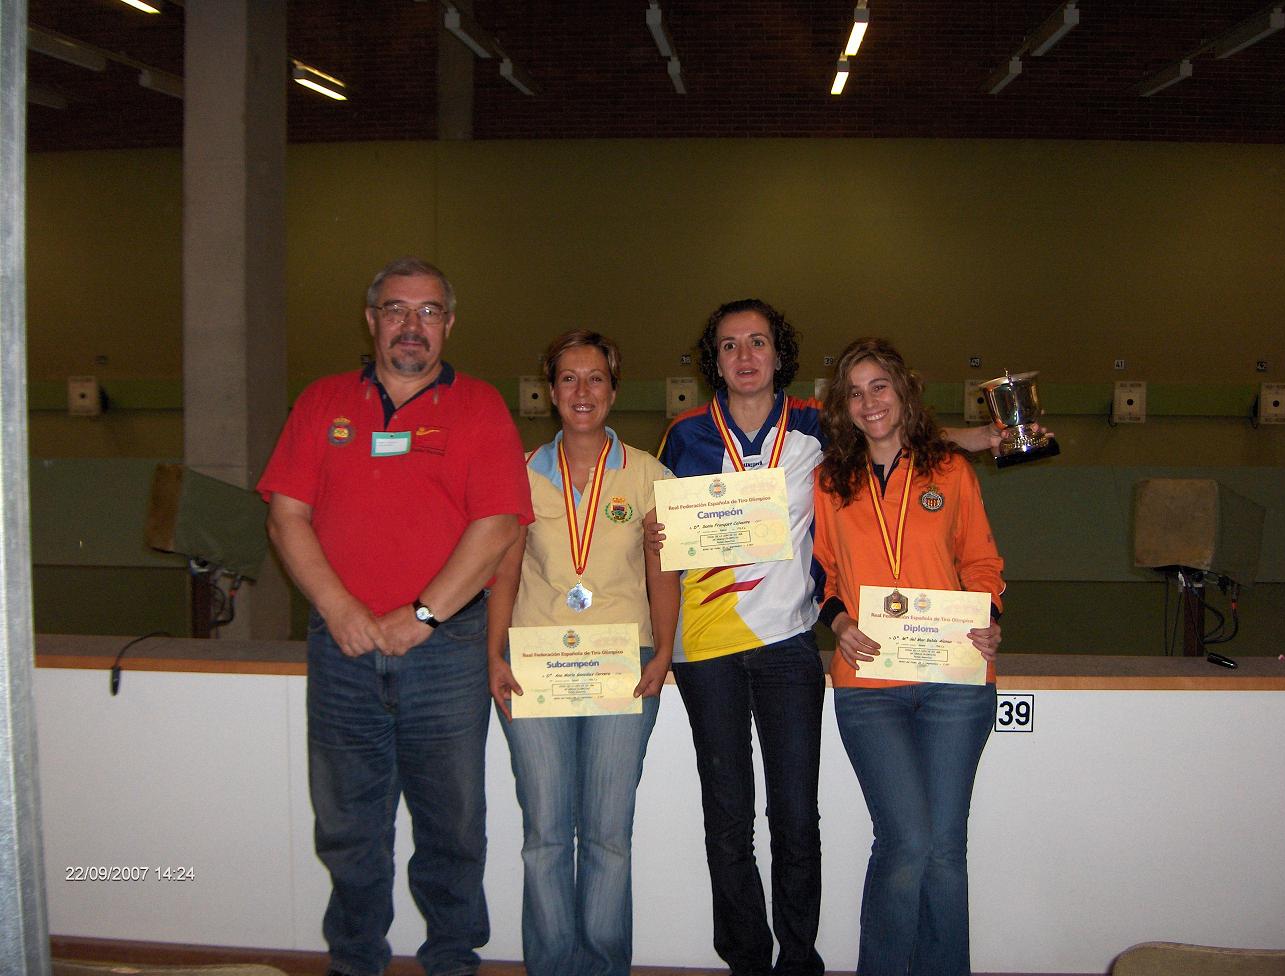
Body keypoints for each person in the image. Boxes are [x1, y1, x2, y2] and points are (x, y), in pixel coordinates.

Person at [656, 299, 1010, 976]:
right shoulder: (685, 435)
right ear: (715, 361)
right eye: (730, 345)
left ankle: (799, 959)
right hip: (708, 645)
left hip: (791, 643)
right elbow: (663, 531)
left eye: (758, 341)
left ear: (779, 353)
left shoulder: (817, 427)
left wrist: (985, 438)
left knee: (797, 817)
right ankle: (746, 960)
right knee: (728, 818)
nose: (745, 356)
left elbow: (894, 428)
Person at [258, 257, 533, 976]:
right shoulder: (321, 402)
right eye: (397, 309)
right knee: (348, 827)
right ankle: (355, 962)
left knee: (452, 828)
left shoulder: (480, 407)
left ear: (450, 324)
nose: (413, 325)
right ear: (371, 319)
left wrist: (422, 616)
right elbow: (287, 516)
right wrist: (340, 608)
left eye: (429, 311)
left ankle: (452, 960)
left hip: (446, 653)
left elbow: (498, 524)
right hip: (342, 652)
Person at [487, 329, 679, 976]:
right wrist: (493, 655)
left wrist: (663, 652)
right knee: (544, 836)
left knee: (607, 836)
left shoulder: (648, 474)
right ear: (550, 391)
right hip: (534, 667)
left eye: (595, 377)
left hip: (624, 668)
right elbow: (504, 573)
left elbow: (663, 572)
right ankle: (549, 965)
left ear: (614, 390)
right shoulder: (519, 473)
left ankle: (601, 965)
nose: (582, 391)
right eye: (568, 378)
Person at [813, 337, 1004, 976]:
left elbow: (981, 562)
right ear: (842, 406)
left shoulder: (949, 471)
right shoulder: (829, 480)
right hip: (869, 686)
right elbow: (820, 572)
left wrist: (990, 619)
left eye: (880, 386)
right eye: (854, 392)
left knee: (945, 850)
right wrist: (839, 622)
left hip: (955, 679)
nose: (869, 402)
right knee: (905, 843)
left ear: (903, 391)